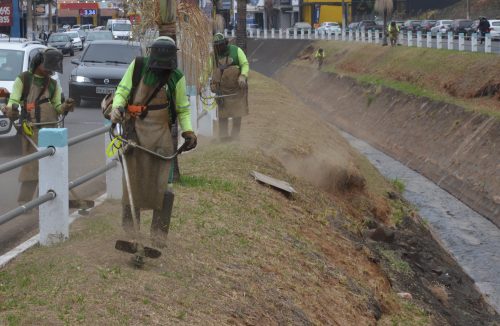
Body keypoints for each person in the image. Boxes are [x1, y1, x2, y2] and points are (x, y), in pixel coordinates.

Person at [109, 36, 197, 248]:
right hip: (134, 133)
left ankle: (158, 236)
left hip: (161, 136)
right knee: (132, 183)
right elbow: (122, 90)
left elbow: (183, 108)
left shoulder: (176, 77)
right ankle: (131, 234)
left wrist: (188, 131)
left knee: (163, 186)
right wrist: (117, 107)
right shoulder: (138, 66)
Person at [5, 48, 75, 205]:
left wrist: (65, 106)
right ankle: (25, 204)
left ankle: (42, 201)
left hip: (51, 130)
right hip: (32, 129)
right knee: (31, 169)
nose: (50, 71)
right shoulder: (24, 79)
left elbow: (57, 107)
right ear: (38, 63)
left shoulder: (53, 84)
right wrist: (11, 109)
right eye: (48, 67)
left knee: (51, 166)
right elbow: (13, 101)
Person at [211, 33, 249, 141]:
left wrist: (243, 75)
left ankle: (235, 137)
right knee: (223, 115)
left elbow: (245, 64)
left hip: (237, 89)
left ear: (225, 43)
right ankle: (223, 137)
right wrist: (201, 82)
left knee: (237, 114)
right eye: (216, 46)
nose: (218, 48)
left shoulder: (236, 51)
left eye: (220, 45)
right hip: (221, 91)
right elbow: (207, 70)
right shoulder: (213, 56)